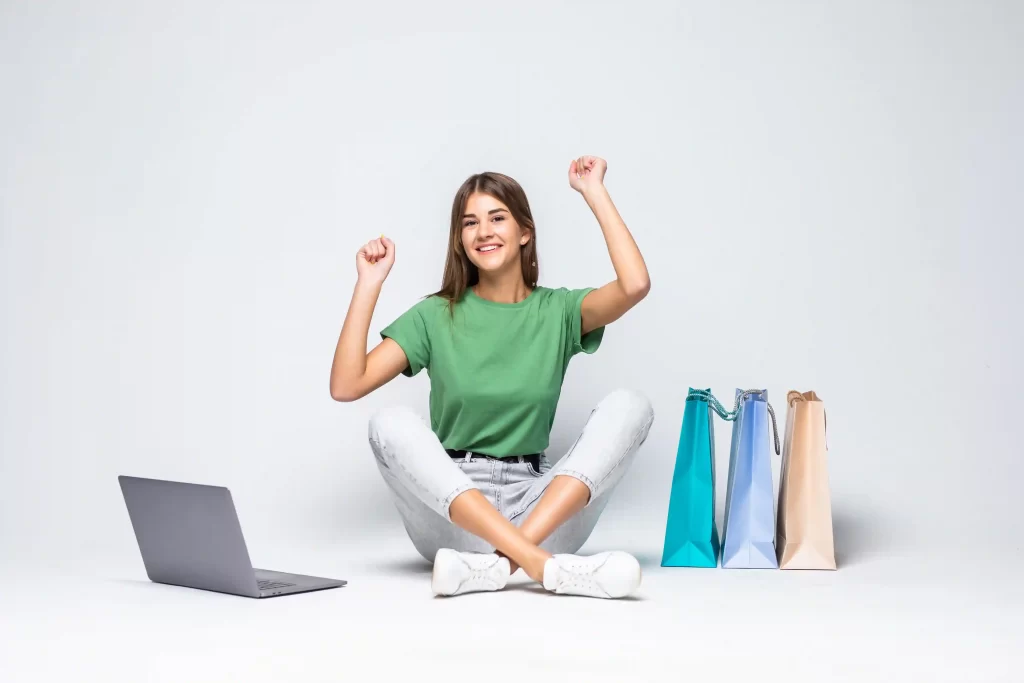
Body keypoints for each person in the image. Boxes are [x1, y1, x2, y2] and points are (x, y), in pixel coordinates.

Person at [329, 155, 654, 599]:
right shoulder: (435, 315)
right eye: (469, 223)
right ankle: (540, 567)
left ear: (524, 232)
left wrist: (593, 190)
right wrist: (369, 282)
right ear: (460, 241)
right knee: (387, 424)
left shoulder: (558, 311)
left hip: (540, 514)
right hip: (452, 517)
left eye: (497, 217)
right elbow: (347, 385)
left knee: (631, 406)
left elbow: (634, 285)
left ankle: (498, 566)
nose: (483, 231)